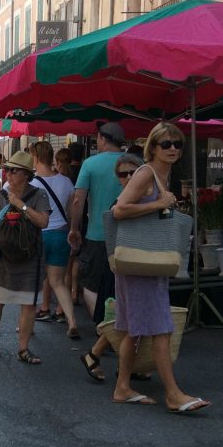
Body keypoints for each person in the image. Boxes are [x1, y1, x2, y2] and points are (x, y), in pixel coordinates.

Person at [111, 122, 211, 414]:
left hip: (144, 262)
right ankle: (173, 394)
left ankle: (122, 387)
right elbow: (119, 209)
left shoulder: (162, 176)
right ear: (152, 147)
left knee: (133, 330)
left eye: (177, 144)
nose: (172, 149)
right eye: (165, 143)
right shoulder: (145, 173)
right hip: (141, 261)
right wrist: (158, 205)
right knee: (161, 329)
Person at [80, 153, 142, 383]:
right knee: (124, 316)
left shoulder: (134, 198)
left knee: (126, 316)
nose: (127, 177)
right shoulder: (122, 202)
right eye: (122, 174)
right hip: (120, 265)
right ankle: (97, 356)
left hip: (132, 264)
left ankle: (96, 356)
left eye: (132, 172)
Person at [0, 151, 51, 363]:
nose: (8, 174)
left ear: (27, 175)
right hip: (2, 261)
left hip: (30, 259)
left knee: (29, 305)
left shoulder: (39, 196)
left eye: (14, 170)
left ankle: (23, 349)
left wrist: (20, 204)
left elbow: (43, 222)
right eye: (7, 170)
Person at [68, 122, 126, 326]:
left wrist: (74, 228)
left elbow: (78, 200)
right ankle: (121, 327)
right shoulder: (137, 162)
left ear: (102, 138)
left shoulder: (90, 164)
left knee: (91, 285)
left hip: (97, 234)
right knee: (124, 286)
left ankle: (104, 328)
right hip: (130, 235)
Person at [29, 141, 80, 340]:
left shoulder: (31, 183)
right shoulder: (66, 181)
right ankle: (72, 321)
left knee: (33, 282)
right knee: (58, 282)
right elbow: (71, 209)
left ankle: (27, 324)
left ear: (35, 158)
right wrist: (74, 230)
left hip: (39, 236)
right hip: (60, 234)